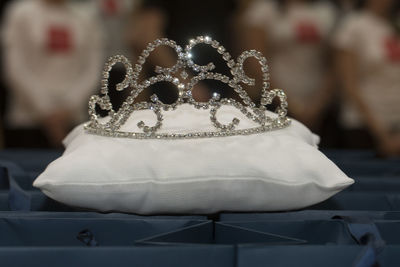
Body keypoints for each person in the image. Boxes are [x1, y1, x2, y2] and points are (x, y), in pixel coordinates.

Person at [2, 0, 103, 147]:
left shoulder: (87, 16)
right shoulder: (21, 11)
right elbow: (15, 67)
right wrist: (45, 109)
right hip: (27, 119)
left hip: (74, 119)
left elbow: (92, 69)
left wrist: (69, 106)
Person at [241, 0, 337, 131]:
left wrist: (318, 104)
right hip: (273, 102)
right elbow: (255, 61)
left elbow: (335, 62)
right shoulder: (264, 9)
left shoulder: (326, 10)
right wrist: (288, 103)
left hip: (320, 106)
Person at [334, 0, 400, 156]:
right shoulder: (353, 25)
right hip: (362, 124)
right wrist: (382, 134)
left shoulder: (395, 22)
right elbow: (348, 84)